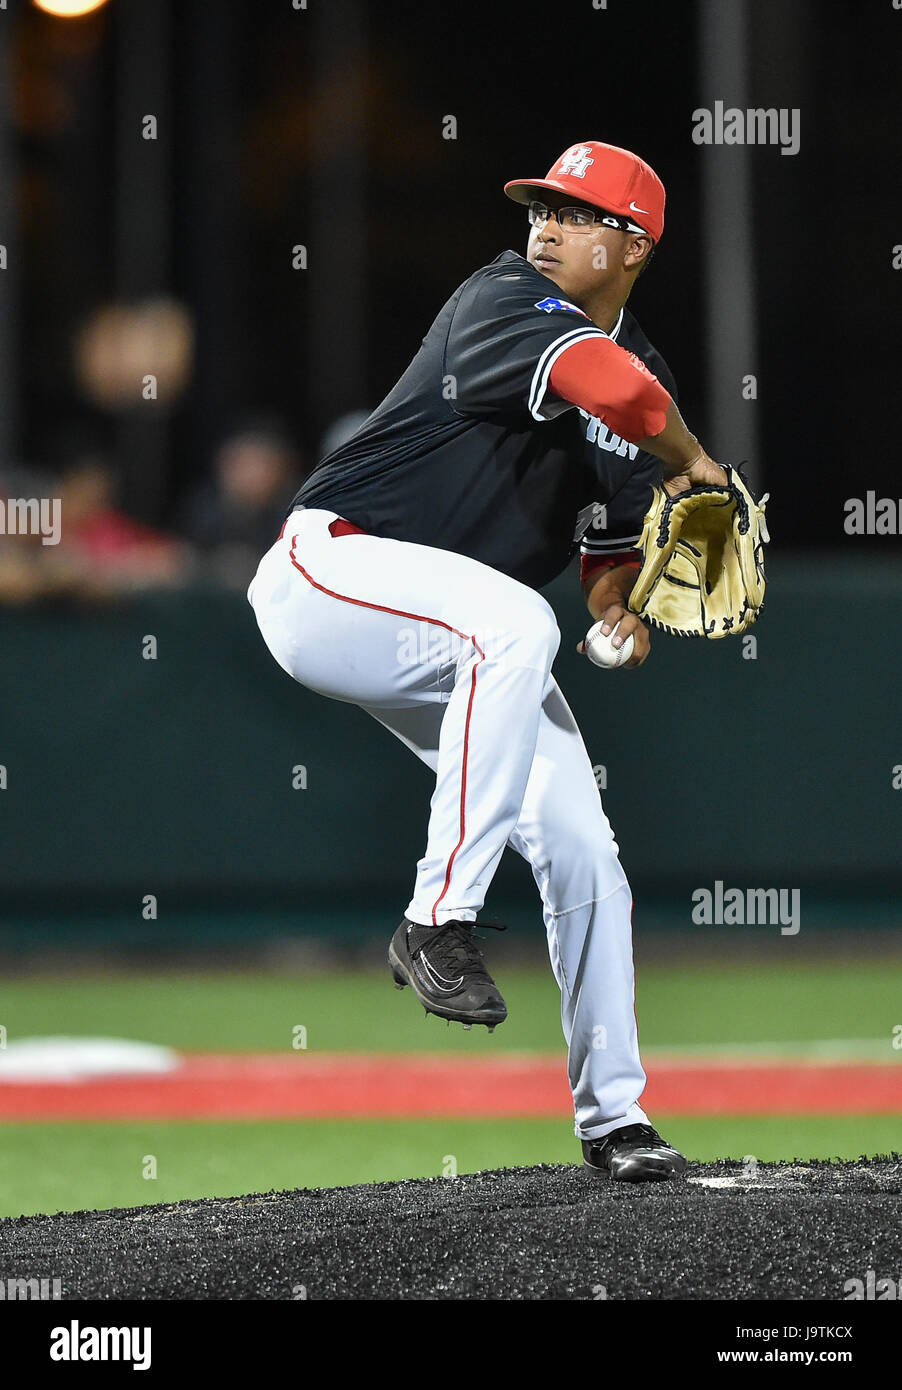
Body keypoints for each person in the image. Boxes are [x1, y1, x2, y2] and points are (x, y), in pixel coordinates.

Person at [248, 141, 728, 1181]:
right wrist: (693, 458)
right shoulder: (502, 297)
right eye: (540, 209)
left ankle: (615, 1119)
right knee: (514, 625)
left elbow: (605, 552)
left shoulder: (641, 357)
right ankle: (437, 919)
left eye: (576, 214)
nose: (545, 228)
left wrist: (620, 614)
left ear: (632, 243)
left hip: (449, 630)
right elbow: (633, 405)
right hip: (329, 574)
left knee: (582, 849)